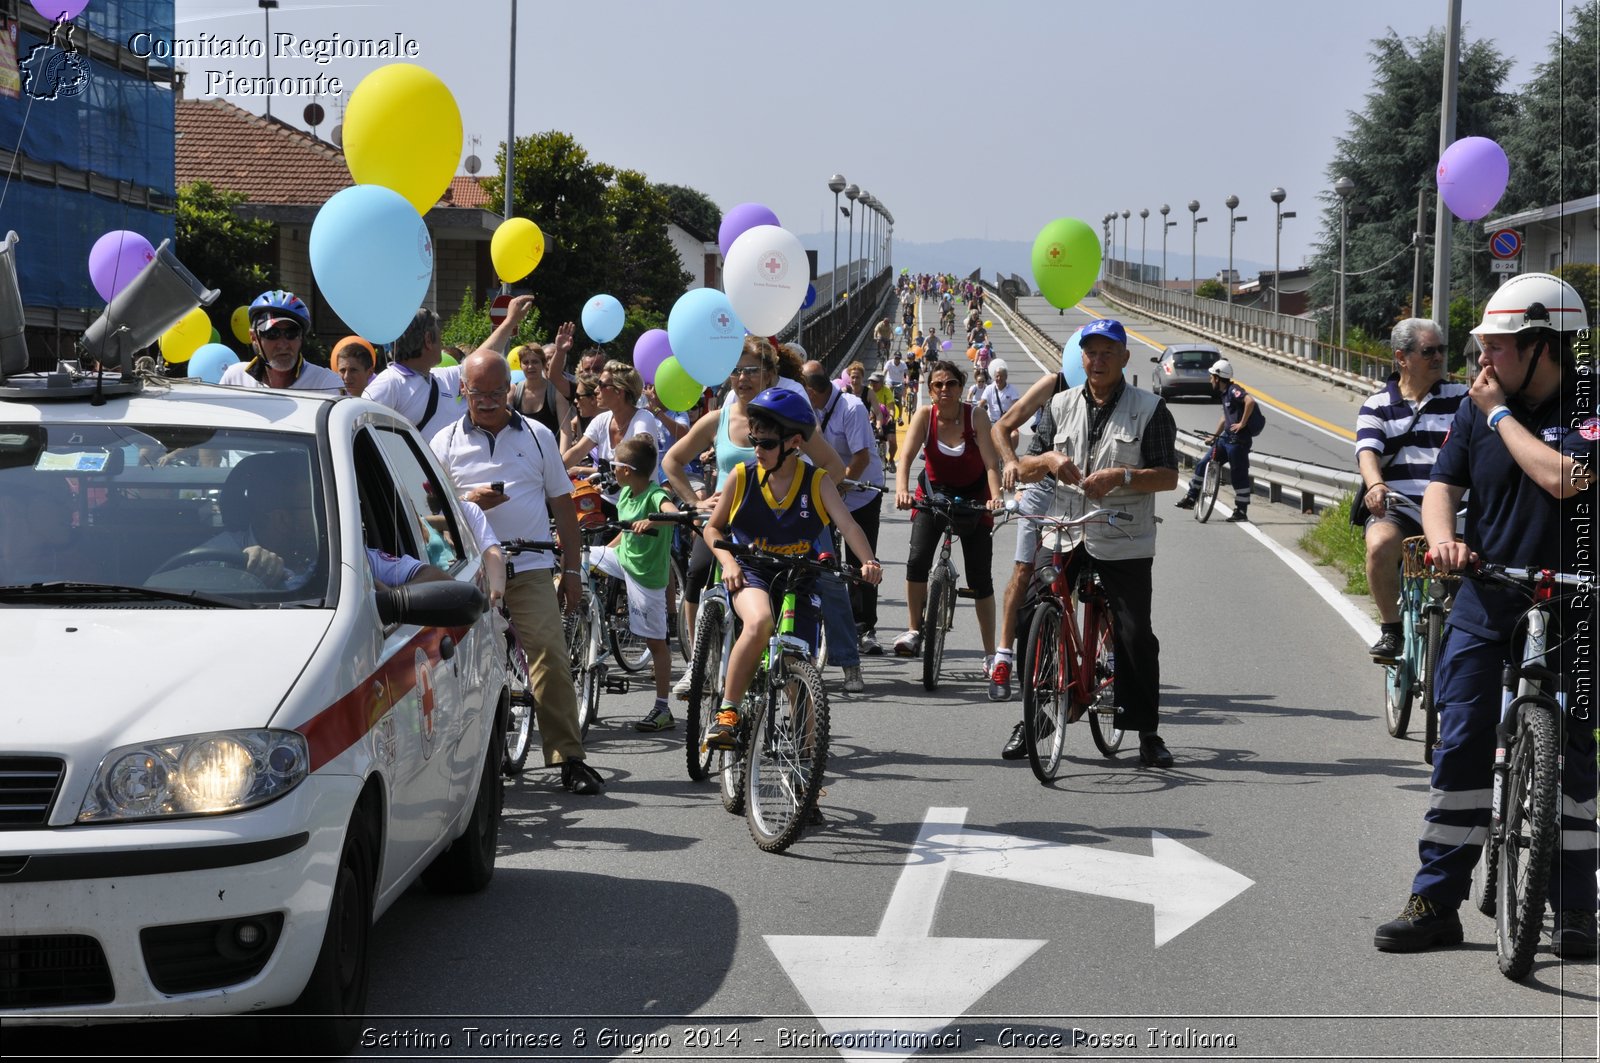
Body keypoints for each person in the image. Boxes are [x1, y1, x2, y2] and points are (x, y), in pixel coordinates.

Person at [1374, 272, 1596, 956]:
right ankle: (1436, 900)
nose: (1481, 362)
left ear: (1540, 345)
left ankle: (1575, 907)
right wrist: (1444, 539)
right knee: (1462, 736)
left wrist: (1501, 416)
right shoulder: (1477, 405)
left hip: (1574, 598)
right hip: (1487, 589)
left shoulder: (1588, 398)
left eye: (1495, 347)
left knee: (1578, 758)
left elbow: (1570, 477)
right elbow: (1445, 483)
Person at [1007, 318, 1181, 767]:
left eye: (1107, 353)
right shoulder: (1060, 405)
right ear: (1080, 358)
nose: (1097, 361)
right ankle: (1036, 717)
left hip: (1122, 533)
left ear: (1124, 358)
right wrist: (1046, 458)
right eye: (1090, 353)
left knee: (1134, 631)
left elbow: (1168, 476)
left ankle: (1147, 730)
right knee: (1031, 608)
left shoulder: (1151, 409)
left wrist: (1123, 475)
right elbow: (1025, 466)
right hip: (1065, 528)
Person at [430, 349, 605, 796]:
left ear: (507, 390)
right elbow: (424, 513)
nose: (486, 402)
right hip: (470, 569)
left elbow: (563, 506)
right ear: (463, 391)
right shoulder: (443, 443)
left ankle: (569, 759)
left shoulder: (538, 434)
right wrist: (466, 502)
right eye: (477, 393)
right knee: (448, 662)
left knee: (549, 653)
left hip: (529, 565)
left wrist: (570, 570)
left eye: (494, 393)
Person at [663, 338, 845, 697]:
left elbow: (834, 466)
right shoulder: (718, 419)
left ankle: (839, 660)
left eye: (750, 370)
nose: (741, 378)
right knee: (698, 571)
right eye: (735, 371)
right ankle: (697, 663)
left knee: (824, 579)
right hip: (728, 521)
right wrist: (696, 500)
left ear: (770, 376)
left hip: (781, 519)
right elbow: (671, 461)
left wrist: (810, 499)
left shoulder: (788, 421)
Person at [701, 387, 882, 748]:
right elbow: (712, 528)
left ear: (794, 442)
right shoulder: (742, 476)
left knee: (800, 665)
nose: (758, 450)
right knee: (759, 623)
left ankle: (806, 765)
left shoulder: (816, 482)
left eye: (766, 444)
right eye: (754, 440)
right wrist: (727, 561)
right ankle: (727, 714)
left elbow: (848, 525)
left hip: (798, 576)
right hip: (751, 571)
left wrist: (869, 561)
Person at [1354, 319, 1467, 661]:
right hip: (1399, 507)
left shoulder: (1463, 399)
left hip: (1455, 511)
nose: (1439, 358)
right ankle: (1391, 630)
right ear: (1402, 357)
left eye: (1442, 350)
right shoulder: (1376, 405)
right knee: (1380, 545)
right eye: (1429, 351)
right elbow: (1367, 451)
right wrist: (1375, 485)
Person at [892, 359, 1005, 670]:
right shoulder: (924, 417)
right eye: (938, 385)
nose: (945, 390)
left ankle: (989, 655)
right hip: (933, 494)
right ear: (930, 391)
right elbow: (905, 460)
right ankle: (915, 629)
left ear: (960, 386)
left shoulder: (976, 416)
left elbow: (991, 464)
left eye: (951, 384)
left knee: (980, 578)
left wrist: (996, 498)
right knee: (917, 561)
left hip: (974, 496)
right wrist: (901, 490)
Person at [586, 435, 682, 732]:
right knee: (579, 555)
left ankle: (663, 709)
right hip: (623, 559)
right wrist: (607, 549)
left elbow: (675, 516)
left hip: (646, 575)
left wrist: (651, 522)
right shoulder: (626, 492)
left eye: (615, 465)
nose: (611, 469)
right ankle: (586, 619)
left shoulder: (654, 495)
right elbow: (625, 533)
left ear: (627, 470)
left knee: (655, 643)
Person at [804, 360, 884, 670]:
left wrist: (837, 487)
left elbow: (861, 457)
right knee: (824, 558)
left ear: (813, 391)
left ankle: (866, 627)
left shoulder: (851, 408)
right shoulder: (812, 411)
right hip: (830, 491)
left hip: (861, 492)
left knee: (861, 561)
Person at [561, 361, 664, 497]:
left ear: (619, 391)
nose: (596, 390)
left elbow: (638, 460)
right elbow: (576, 452)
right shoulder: (601, 420)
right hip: (605, 502)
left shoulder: (643, 419)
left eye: (601, 385)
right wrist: (550, 473)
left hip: (637, 503)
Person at [1173, 359, 1259, 522]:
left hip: (1238, 441)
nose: (1210, 379)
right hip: (1225, 439)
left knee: (1238, 475)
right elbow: (1224, 417)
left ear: (1218, 378)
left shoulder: (1234, 390)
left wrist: (1242, 423)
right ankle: (1191, 498)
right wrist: (1214, 435)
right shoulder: (1225, 393)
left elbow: (1250, 401)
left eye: (1212, 376)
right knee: (1203, 463)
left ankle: (1241, 511)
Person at [219, 290, 342, 392]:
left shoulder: (326, 384)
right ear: (254, 338)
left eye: (291, 333)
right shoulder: (234, 378)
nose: (283, 344)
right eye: (272, 333)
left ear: (301, 338)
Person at [510, 343, 569, 438]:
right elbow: (503, 424)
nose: (530, 366)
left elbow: (565, 430)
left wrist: (562, 453)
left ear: (543, 364)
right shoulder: (514, 391)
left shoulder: (556, 392)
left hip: (549, 451)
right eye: (525, 362)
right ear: (520, 366)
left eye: (535, 362)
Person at [979, 359, 1020, 450]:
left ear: (1006, 377)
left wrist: (1010, 414)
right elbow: (981, 403)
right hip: (992, 422)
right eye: (997, 376)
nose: (999, 379)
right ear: (994, 377)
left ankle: (1010, 456)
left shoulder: (1012, 389)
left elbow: (1016, 406)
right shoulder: (989, 389)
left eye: (1001, 376)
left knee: (1015, 435)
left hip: (1007, 422)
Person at [884, 350, 907, 421]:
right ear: (894, 358)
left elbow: (907, 373)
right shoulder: (889, 363)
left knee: (899, 400)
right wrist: (881, 378)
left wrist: (907, 379)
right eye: (896, 358)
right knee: (888, 390)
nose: (897, 360)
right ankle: (886, 412)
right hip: (890, 380)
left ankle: (900, 417)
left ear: (900, 359)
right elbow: (884, 371)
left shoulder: (903, 364)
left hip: (899, 381)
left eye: (898, 358)